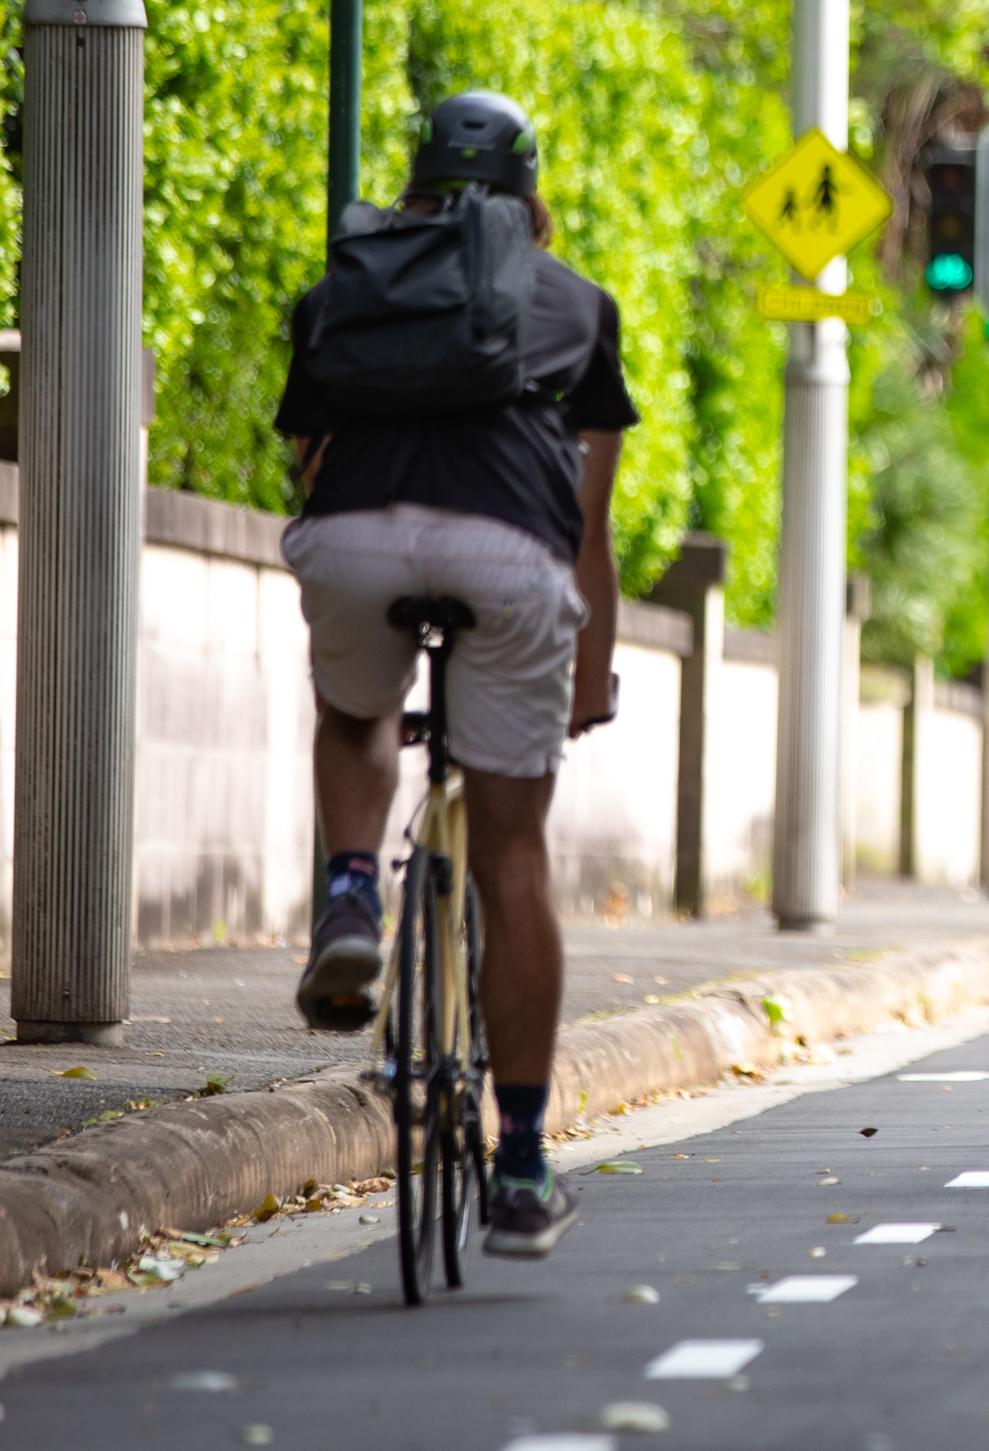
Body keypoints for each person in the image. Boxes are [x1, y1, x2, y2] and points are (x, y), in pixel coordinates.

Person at [275, 91, 638, 1256]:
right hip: (511, 555)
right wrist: (591, 671)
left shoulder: (346, 285)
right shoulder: (575, 301)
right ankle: (523, 1165)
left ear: (414, 186)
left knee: (355, 709)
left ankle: (346, 890)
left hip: (357, 534)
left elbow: (309, 453)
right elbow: (588, 521)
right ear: (533, 200)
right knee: (515, 848)